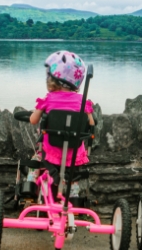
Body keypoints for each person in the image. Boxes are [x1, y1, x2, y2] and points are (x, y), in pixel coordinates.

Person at [27, 50, 95, 199]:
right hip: (74, 155)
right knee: (73, 175)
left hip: (49, 153)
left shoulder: (49, 99)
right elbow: (91, 123)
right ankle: (74, 196)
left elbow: (33, 120)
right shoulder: (82, 101)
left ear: (54, 79)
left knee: (35, 159)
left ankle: (29, 187)